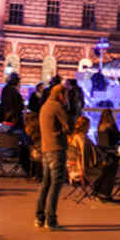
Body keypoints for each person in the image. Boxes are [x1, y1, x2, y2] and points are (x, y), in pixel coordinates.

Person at [35, 83, 71, 230]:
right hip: (57, 149)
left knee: (46, 183)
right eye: (66, 95)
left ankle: (39, 217)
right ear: (61, 95)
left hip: (46, 148)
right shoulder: (57, 107)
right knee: (56, 185)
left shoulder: (45, 106)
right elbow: (68, 126)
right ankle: (51, 220)